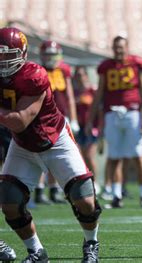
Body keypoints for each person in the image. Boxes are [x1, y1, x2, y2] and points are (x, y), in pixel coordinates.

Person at [0, 27, 101, 263]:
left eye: (8, 54)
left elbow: (20, 120)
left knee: (84, 198)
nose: (3, 60)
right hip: (23, 145)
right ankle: (36, 251)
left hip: (54, 139)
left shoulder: (33, 75)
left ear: (22, 53)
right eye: (0, 54)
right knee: (10, 201)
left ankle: (91, 243)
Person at [86, 36, 142, 209]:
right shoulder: (106, 66)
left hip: (132, 113)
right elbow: (99, 94)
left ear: (127, 47)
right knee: (114, 156)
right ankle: (116, 196)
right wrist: (90, 120)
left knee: (138, 156)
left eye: (121, 47)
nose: (119, 51)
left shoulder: (137, 64)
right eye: (116, 47)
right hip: (112, 113)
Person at [35, 40, 79, 205]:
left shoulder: (64, 70)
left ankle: (54, 189)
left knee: (58, 154)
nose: (50, 57)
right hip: (41, 118)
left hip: (61, 117)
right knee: (40, 154)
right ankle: (39, 190)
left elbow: (69, 96)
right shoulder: (36, 71)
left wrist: (73, 118)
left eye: (53, 54)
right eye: (47, 54)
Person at [73, 66, 101, 193]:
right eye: (77, 75)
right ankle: (83, 183)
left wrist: (100, 127)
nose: (80, 77)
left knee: (90, 155)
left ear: (86, 76)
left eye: (82, 75)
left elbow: (100, 111)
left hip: (91, 127)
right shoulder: (73, 93)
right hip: (79, 128)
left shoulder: (92, 91)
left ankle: (95, 182)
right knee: (80, 158)